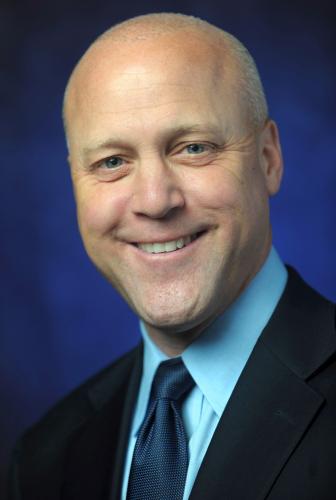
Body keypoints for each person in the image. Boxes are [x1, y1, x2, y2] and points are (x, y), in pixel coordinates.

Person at [9, 12, 336, 500]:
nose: (155, 201)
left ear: (268, 159)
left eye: (193, 148)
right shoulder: (42, 458)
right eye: (112, 162)